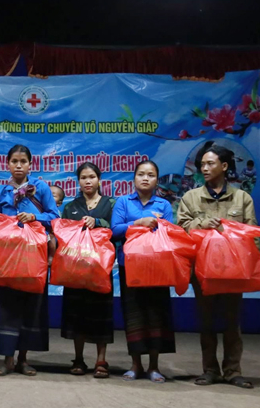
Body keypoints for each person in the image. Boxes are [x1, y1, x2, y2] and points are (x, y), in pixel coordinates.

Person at [177, 146, 256, 389]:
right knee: (207, 321)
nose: (205, 168)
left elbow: (252, 231)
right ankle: (210, 370)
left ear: (224, 166)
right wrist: (201, 223)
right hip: (203, 270)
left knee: (232, 322)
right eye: (202, 164)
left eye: (210, 164)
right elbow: (181, 227)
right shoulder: (190, 197)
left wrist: (228, 228)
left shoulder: (242, 198)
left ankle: (233, 371)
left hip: (233, 270)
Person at [0, 145, 60, 377]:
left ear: (31, 164)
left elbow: (54, 217)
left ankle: (23, 359)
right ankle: (7, 360)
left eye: (23, 161)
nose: (18, 165)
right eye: (14, 161)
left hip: (34, 256)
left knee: (32, 306)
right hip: (8, 256)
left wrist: (34, 217)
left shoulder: (40, 188)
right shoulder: (1, 190)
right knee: (7, 307)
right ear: (7, 164)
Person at [111, 160, 175, 383]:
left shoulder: (164, 205)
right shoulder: (123, 202)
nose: (145, 178)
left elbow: (172, 232)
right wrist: (139, 222)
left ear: (157, 180)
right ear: (134, 178)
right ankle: (135, 365)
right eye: (141, 174)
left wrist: (157, 225)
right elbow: (114, 231)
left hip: (158, 267)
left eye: (150, 175)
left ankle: (154, 367)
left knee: (157, 315)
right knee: (134, 315)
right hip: (131, 266)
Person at [60, 162, 115, 378]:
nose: (88, 181)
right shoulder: (70, 206)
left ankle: (101, 359)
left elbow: (117, 227)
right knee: (77, 315)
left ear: (99, 179)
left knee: (101, 314)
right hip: (76, 269)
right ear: (78, 181)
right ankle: (79, 358)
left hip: (101, 269)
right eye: (83, 177)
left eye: (92, 177)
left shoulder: (111, 203)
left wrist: (98, 221)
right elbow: (63, 232)